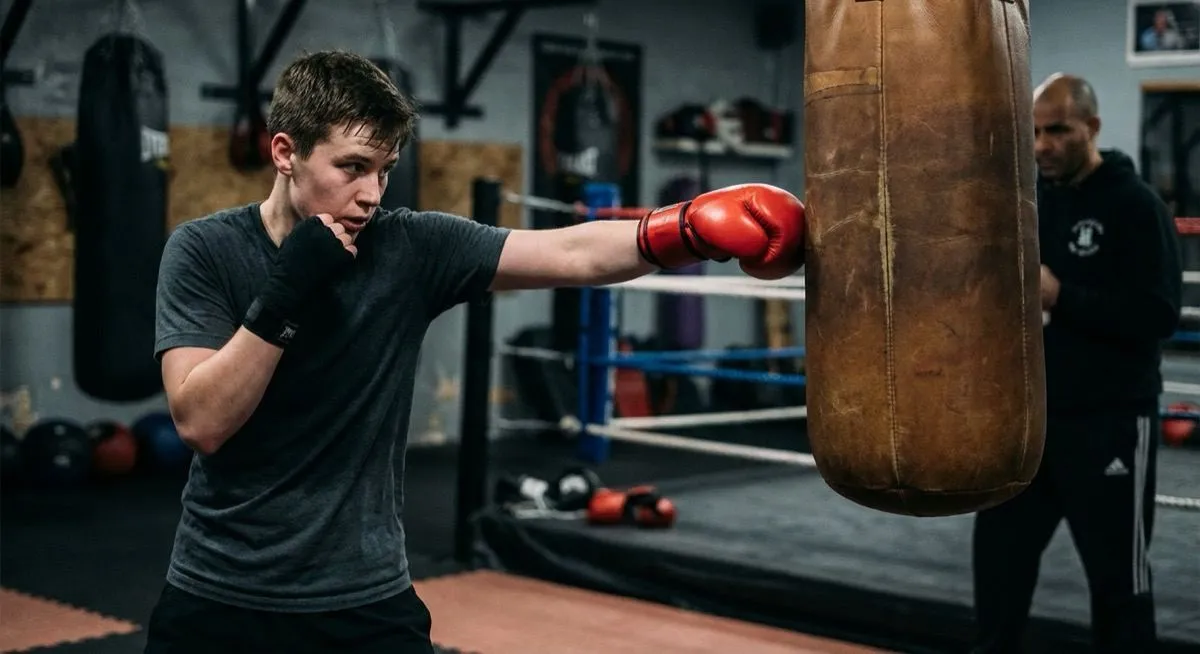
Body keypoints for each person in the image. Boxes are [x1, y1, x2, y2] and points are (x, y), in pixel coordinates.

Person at [144, 49, 805, 654]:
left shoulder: (409, 248)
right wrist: (289, 290)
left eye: (385, 170)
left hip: (362, 596)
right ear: (286, 152)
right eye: (352, 167)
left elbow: (571, 252)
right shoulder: (205, 252)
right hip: (219, 593)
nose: (372, 195)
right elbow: (202, 422)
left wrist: (685, 229)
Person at [970, 73, 1182, 654]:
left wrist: (1063, 297)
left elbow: (1159, 313)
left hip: (1109, 422)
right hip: (1027, 427)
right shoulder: (1027, 203)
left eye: (1058, 130)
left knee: (1119, 588)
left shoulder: (1135, 207)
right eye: (1036, 132)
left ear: (1091, 127)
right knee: (998, 572)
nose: (1042, 145)